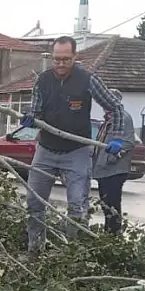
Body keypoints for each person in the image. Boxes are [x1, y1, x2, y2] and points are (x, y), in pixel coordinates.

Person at [19, 35, 126, 255]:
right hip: (46, 149)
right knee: (34, 203)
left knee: (77, 207)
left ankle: (73, 255)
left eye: (65, 59)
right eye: (57, 59)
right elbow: (36, 109)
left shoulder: (88, 80)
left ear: (75, 57)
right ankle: (35, 250)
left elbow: (115, 107)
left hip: (76, 152)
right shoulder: (43, 80)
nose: (60, 64)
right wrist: (30, 118)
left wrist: (117, 137)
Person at [91, 88, 135, 235]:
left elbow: (128, 143)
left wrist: (114, 154)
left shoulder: (123, 118)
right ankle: (108, 233)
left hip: (114, 170)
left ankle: (114, 235)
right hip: (104, 170)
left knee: (112, 204)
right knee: (106, 205)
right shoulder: (108, 120)